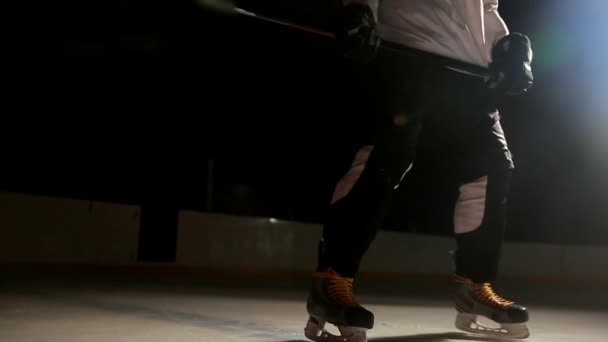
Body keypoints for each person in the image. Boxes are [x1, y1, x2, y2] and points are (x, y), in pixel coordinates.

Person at [304, 1, 534, 341]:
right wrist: (358, 7)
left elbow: (483, 7)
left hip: (470, 68)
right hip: (408, 52)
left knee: (492, 168)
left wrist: (507, 47)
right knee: (385, 158)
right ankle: (331, 280)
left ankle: (474, 285)